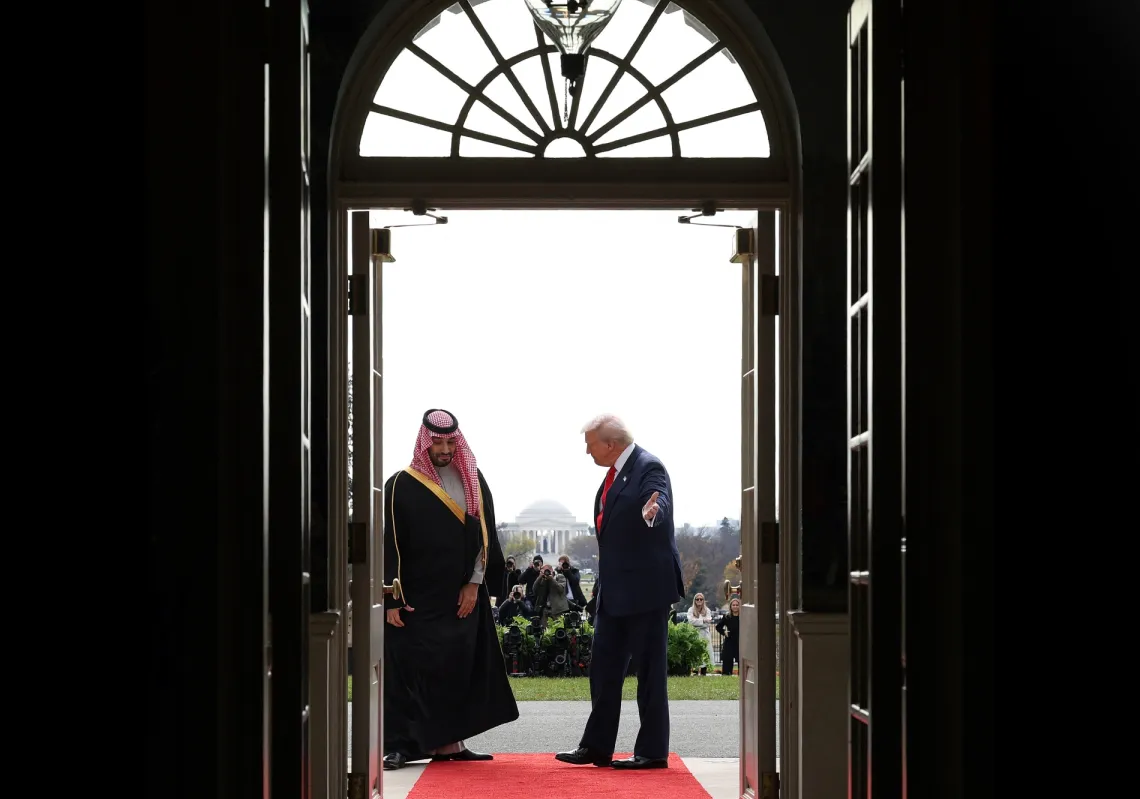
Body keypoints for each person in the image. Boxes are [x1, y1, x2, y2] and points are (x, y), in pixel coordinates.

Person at [381, 409, 520, 771]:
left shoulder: (472, 479)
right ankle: (400, 746)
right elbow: (390, 544)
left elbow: (484, 535)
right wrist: (392, 599)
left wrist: (474, 584)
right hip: (414, 598)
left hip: (460, 595)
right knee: (409, 672)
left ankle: (450, 744)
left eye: (449, 442)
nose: (444, 449)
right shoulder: (399, 483)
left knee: (456, 669)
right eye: (437, 442)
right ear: (424, 442)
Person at [556, 414, 685, 770]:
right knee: (603, 671)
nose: (587, 451)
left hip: (646, 590)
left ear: (611, 444)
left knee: (649, 674)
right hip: (614, 592)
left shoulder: (649, 466)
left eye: (590, 444)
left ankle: (652, 752)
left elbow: (657, 502)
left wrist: (653, 512)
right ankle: (596, 747)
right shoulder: (611, 478)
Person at [685, 594, 714, 675]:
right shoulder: (691, 610)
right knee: (696, 653)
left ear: (703, 600)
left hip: (705, 635)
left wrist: (698, 622)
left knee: (705, 652)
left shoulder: (707, 610)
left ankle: (703, 672)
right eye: (697, 599)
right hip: (695, 634)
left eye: (701, 599)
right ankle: (695, 672)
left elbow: (707, 624)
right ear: (694, 600)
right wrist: (703, 621)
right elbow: (691, 621)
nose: (699, 601)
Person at [716, 597, 741, 676]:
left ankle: (742, 676)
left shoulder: (743, 616)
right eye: (733, 605)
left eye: (737, 605)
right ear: (730, 606)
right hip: (729, 640)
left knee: (741, 660)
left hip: (740, 641)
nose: (735, 606)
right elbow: (718, 627)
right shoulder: (727, 617)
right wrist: (724, 632)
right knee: (727, 659)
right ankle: (726, 675)